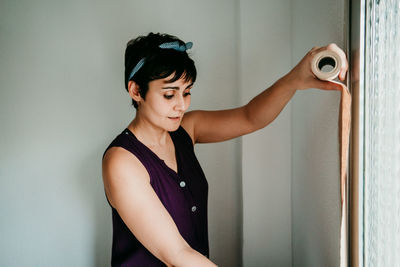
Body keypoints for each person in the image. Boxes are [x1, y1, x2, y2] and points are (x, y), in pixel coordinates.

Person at [102, 32, 348, 267]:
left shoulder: (185, 130)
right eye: (169, 95)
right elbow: (176, 254)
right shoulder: (122, 161)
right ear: (136, 91)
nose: (181, 106)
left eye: (186, 93)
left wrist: (294, 79)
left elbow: (250, 117)